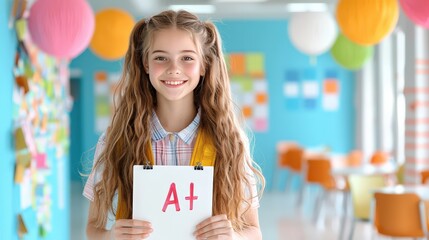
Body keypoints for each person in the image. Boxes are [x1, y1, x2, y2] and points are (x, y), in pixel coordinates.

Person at [83, 9, 265, 240]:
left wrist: (235, 237)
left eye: (187, 57)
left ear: (204, 65)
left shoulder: (230, 141)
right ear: (145, 64)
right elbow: (92, 228)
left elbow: (254, 231)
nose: (173, 68)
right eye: (160, 57)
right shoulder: (117, 140)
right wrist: (109, 237)